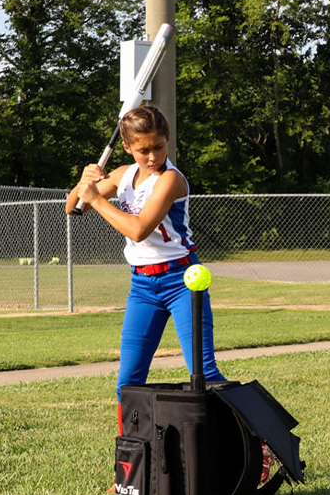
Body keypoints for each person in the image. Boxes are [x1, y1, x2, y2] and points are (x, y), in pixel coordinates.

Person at [64, 107, 227, 417]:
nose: (153, 156)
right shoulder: (124, 174)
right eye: (143, 150)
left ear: (167, 141)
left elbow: (138, 230)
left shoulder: (170, 180)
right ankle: (132, 452)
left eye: (159, 147)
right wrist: (83, 183)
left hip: (182, 280)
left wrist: (97, 198)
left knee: (204, 374)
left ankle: (255, 441)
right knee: (128, 382)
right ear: (127, 147)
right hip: (142, 286)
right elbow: (74, 208)